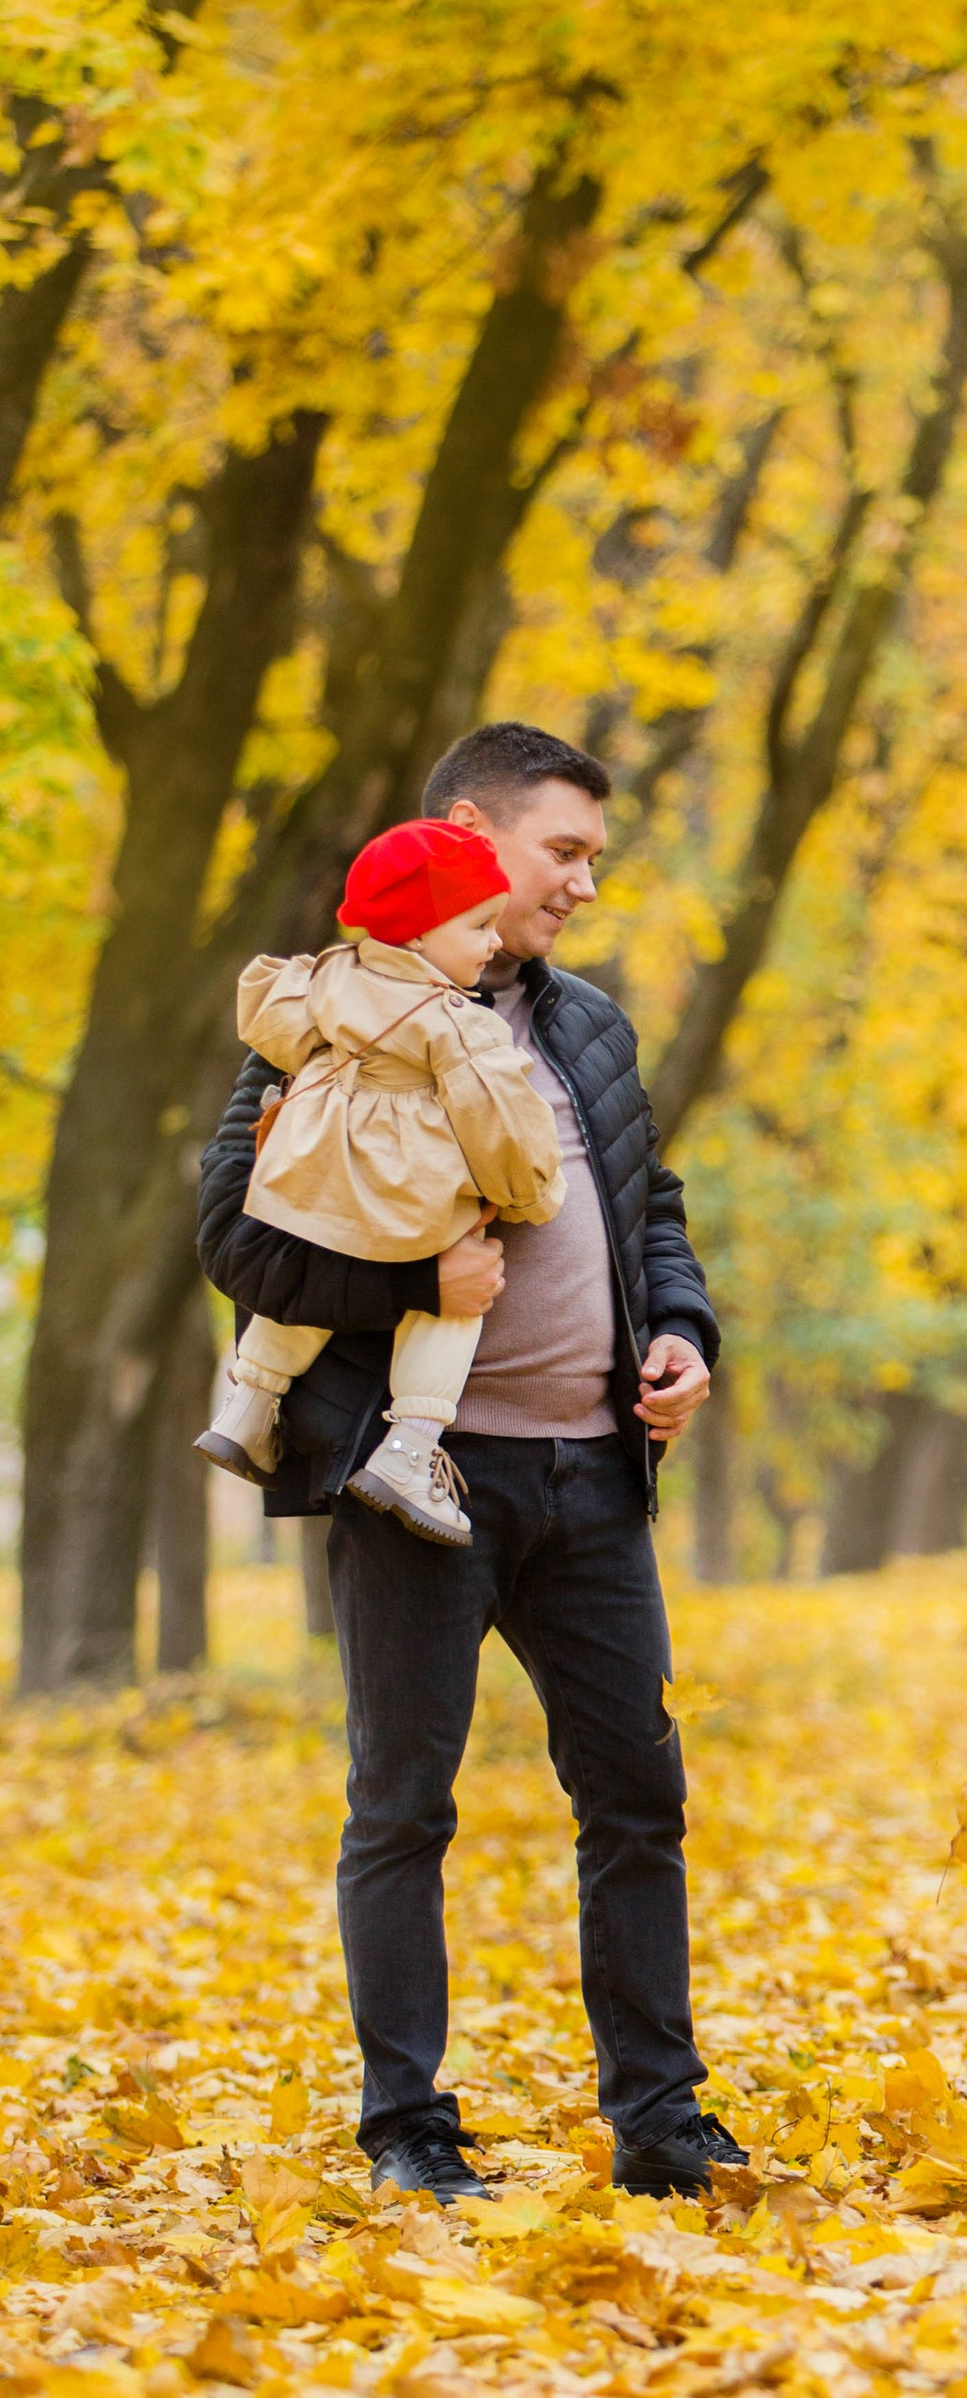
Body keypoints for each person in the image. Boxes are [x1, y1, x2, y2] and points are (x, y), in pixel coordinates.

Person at [199, 721, 733, 2209]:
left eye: (591, 860)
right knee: (405, 1810)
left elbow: (651, 1206)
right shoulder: (330, 1019)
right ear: (468, 835)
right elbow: (236, 1240)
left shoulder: (590, 1030)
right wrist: (420, 1286)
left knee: (638, 1800)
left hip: (590, 1485)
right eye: (563, 851)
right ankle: (407, 2132)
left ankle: (663, 2121)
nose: (581, 883)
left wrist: (680, 1329)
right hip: (411, 1479)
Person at [198, 819, 563, 1549]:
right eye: (480, 924)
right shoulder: (455, 1022)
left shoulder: (330, 976)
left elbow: (272, 1023)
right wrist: (528, 1196)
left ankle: (249, 1404)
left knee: (324, 1252)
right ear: (423, 936)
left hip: (313, 1180)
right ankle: (411, 1447)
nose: (494, 941)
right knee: (455, 1283)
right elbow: (498, 1123)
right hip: (402, 1186)